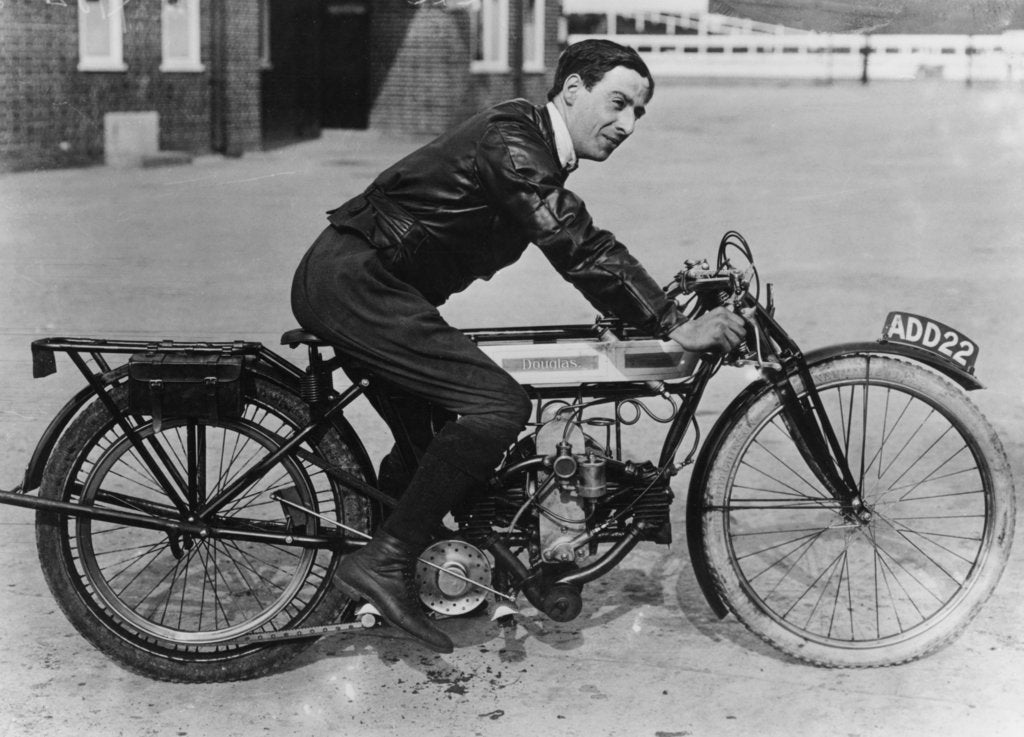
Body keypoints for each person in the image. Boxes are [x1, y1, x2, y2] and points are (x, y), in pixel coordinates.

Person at [290, 39, 746, 653]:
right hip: (357, 284)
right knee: (498, 404)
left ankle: (406, 562)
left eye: (639, 112)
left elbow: (570, 237)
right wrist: (665, 321)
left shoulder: (531, 150)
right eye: (618, 103)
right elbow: (571, 238)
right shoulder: (513, 138)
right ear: (573, 90)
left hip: (374, 286)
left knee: (434, 431)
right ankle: (385, 563)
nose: (628, 124)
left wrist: (642, 316)